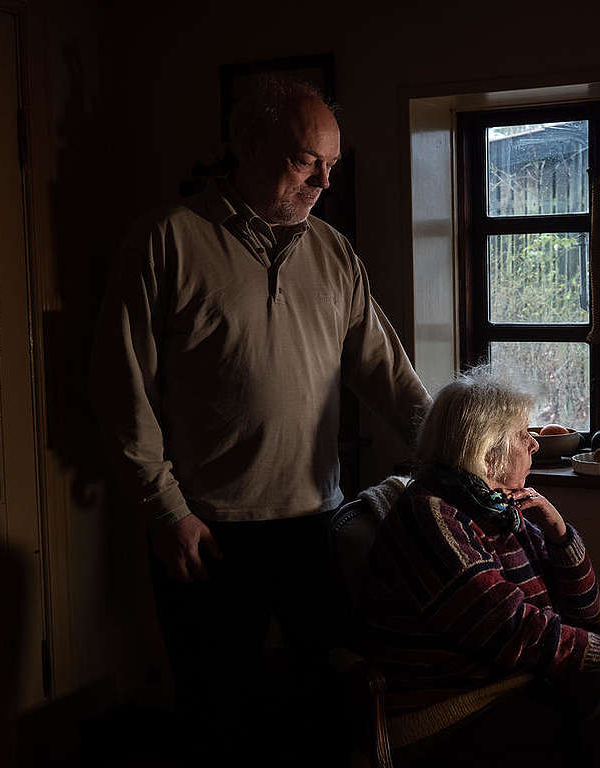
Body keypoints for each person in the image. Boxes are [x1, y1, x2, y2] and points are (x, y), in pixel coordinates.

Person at [91, 75, 429, 760]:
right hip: (208, 533)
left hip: (317, 525)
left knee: (327, 712)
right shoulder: (169, 240)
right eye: (308, 161)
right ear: (248, 144)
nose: (324, 181)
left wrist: (460, 449)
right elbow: (120, 388)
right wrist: (165, 511)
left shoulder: (334, 253)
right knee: (218, 718)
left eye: (333, 166)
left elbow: (388, 375)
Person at [359, 368, 600, 768]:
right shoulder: (431, 516)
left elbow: (585, 614)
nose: (533, 443)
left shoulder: (499, 508)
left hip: (515, 688)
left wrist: (559, 532)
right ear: (485, 449)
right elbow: (513, 629)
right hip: (451, 714)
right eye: (521, 433)